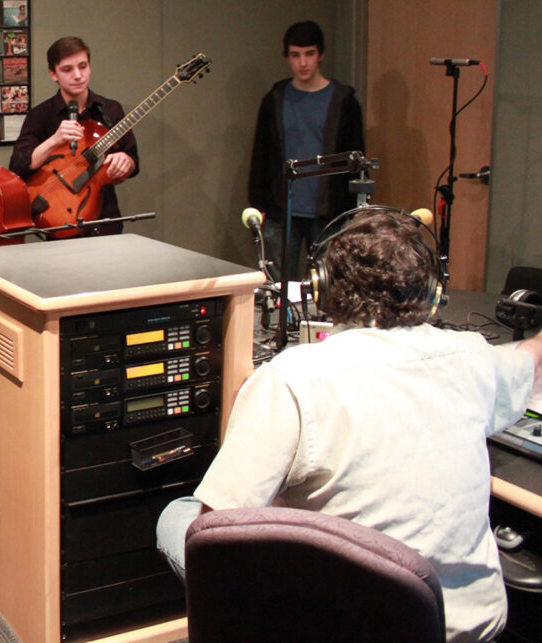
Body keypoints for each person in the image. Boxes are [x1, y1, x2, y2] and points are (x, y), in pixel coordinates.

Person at [155, 209, 542, 642]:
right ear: (434, 293)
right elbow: (529, 359)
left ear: (320, 288)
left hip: (338, 628)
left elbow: (219, 532)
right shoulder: (474, 356)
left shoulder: (291, 378)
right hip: (465, 628)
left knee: (180, 517)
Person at [247, 20, 365, 281]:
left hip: (329, 211)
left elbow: (356, 160)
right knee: (278, 285)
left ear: (320, 55)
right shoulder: (275, 100)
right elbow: (261, 154)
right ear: (287, 57)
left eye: (309, 54)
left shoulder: (344, 102)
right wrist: (258, 203)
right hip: (281, 210)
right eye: (295, 55)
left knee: (327, 284)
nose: (302, 63)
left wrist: (353, 210)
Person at [9, 36, 138, 236]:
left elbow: (133, 160)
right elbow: (18, 166)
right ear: (53, 74)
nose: (78, 75)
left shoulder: (111, 110)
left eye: (83, 66)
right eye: (67, 69)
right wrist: (54, 141)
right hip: (60, 221)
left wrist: (126, 162)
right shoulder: (40, 115)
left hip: (106, 220)